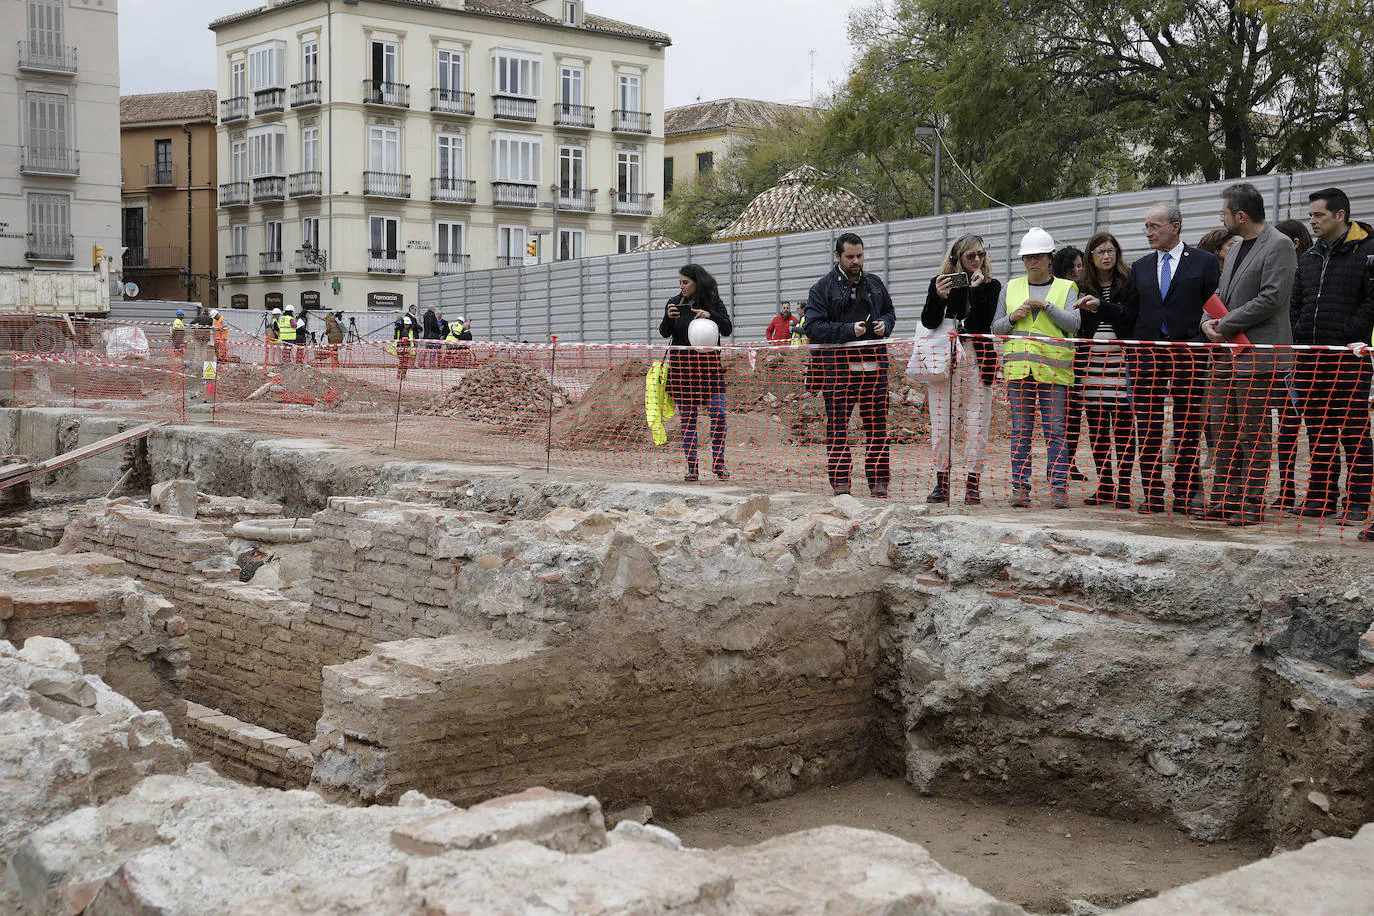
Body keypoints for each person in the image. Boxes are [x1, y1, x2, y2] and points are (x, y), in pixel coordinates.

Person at [1198, 182, 1295, 526]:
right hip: (1226, 354)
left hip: (1258, 354)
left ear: (1240, 215)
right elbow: (1221, 294)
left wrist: (1224, 325)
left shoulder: (1280, 246)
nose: (1221, 218)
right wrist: (1208, 321)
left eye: (1224, 212)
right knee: (1224, 428)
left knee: (1252, 432)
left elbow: (1271, 298)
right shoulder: (1236, 249)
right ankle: (1225, 497)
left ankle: (1252, 501)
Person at [1122, 202, 1222, 514]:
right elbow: (1130, 312)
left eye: (1155, 226)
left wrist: (1207, 334)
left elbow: (1214, 305)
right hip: (1148, 356)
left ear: (1175, 226)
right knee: (1149, 427)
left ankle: (1187, 494)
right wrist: (1100, 307)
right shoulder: (1139, 267)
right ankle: (1152, 493)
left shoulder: (1204, 262)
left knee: (1188, 427)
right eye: (1146, 226)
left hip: (1189, 353)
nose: (1149, 232)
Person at [1289, 187, 1374, 523]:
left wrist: (1350, 331)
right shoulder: (1309, 257)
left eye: (1318, 215)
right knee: (1319, 433)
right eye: (1310, 216)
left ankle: (1357, 502)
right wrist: (1299, 331)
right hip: (1311, 358)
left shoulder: (1368, 252)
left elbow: (1372, 300)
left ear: (1340, 215)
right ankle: (1321, 497)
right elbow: (1296, 302)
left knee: (1353, 433)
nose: (1312, 222)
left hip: (1349, 358)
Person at [991, 227, 1080, 509]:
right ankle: (1020, 488)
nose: (1032, 262)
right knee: (1021, 431)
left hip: (1054, 372)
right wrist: (1013, 318)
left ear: (1050, 258)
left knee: (1055, 431)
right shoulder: (1011, 288)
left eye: (1038, 257)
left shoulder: (1067, 288)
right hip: (1019, 372)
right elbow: (996, 328)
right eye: (1028, 257)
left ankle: (1058, 489)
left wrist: (1047, 307)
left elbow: (1074, 324)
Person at [804, 232, 897, 497]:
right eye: (850, 257)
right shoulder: (822, 288)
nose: (856, 261)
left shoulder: (876, 285)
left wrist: (885, 325)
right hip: (838, 373)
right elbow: (812, 327)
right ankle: (841, 481)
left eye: (860, 256)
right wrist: (847, 331)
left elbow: (890, 312)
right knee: (837, 428)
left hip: (875, 371)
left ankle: (879, 482)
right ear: (837, 256)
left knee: (878, 429)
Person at [920, 233, 1001, 505]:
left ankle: (972, 484)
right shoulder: (939, 282)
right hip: (945, 359)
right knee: (942, 424)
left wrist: (976, 291)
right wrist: (940, 296)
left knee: (978, 422)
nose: (977, 260)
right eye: (970, 256)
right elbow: (930, 322)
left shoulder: (991, 286)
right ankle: (941, 482)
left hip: (977, 359)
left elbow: (981, 323)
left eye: (981, 255)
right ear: (956, 258)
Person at [1073, 232, 1136, 509]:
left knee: (1123, 428)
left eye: (1110, 250)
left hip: (1121, 364)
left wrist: (1102, 306)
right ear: (1091, 257)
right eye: (1100, 252)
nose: (1106, 256)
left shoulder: (1129, 282)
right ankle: (1106, 485)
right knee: (1098, 429)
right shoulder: (1079, 286)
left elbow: (1130, 316)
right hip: (1091, 366)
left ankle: (1124, 487)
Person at [659, 264, 733, 481]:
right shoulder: (674, 302)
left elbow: (727, 328)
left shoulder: (713, 302)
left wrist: (710, 315)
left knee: (719, 414)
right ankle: (692, 466)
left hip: (709, 371)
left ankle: (718, 462)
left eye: (685, 282)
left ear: (697, 282)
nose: (681, 286)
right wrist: (668, 317)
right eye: (680, 282)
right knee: (688, 419)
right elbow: (664, 333)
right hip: (683, 372)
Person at [1271, 219, 1315, 511]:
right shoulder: (1280, 272)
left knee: (1310, 428)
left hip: (1302, 363)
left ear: (1294, 243)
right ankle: (1286, 491)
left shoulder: (1304, 272)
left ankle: (1318, 494)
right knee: (1285, 431)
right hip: (1279, 361)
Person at [1053, 246, 1089, 483]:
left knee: (1075, 412)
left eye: (1079, 266)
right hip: (1059, 359)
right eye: (1072, 267)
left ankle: (1069, 460)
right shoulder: (1057, 291)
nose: (1076, 271)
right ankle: (1056, 463)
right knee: (1059, 415)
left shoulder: (1084, 290)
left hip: (1081, 357)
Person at [393, 307, 418, 381]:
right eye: (406, 324)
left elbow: (411, 339)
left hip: (408, 347)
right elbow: (396, 332)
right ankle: (398, 375)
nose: (407, 325)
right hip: (400, 347)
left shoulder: (410, 330)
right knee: (401, 361)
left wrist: (412, 348)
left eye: (408, 324)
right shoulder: (399, 329)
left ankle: (403, 375)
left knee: (406, 362)